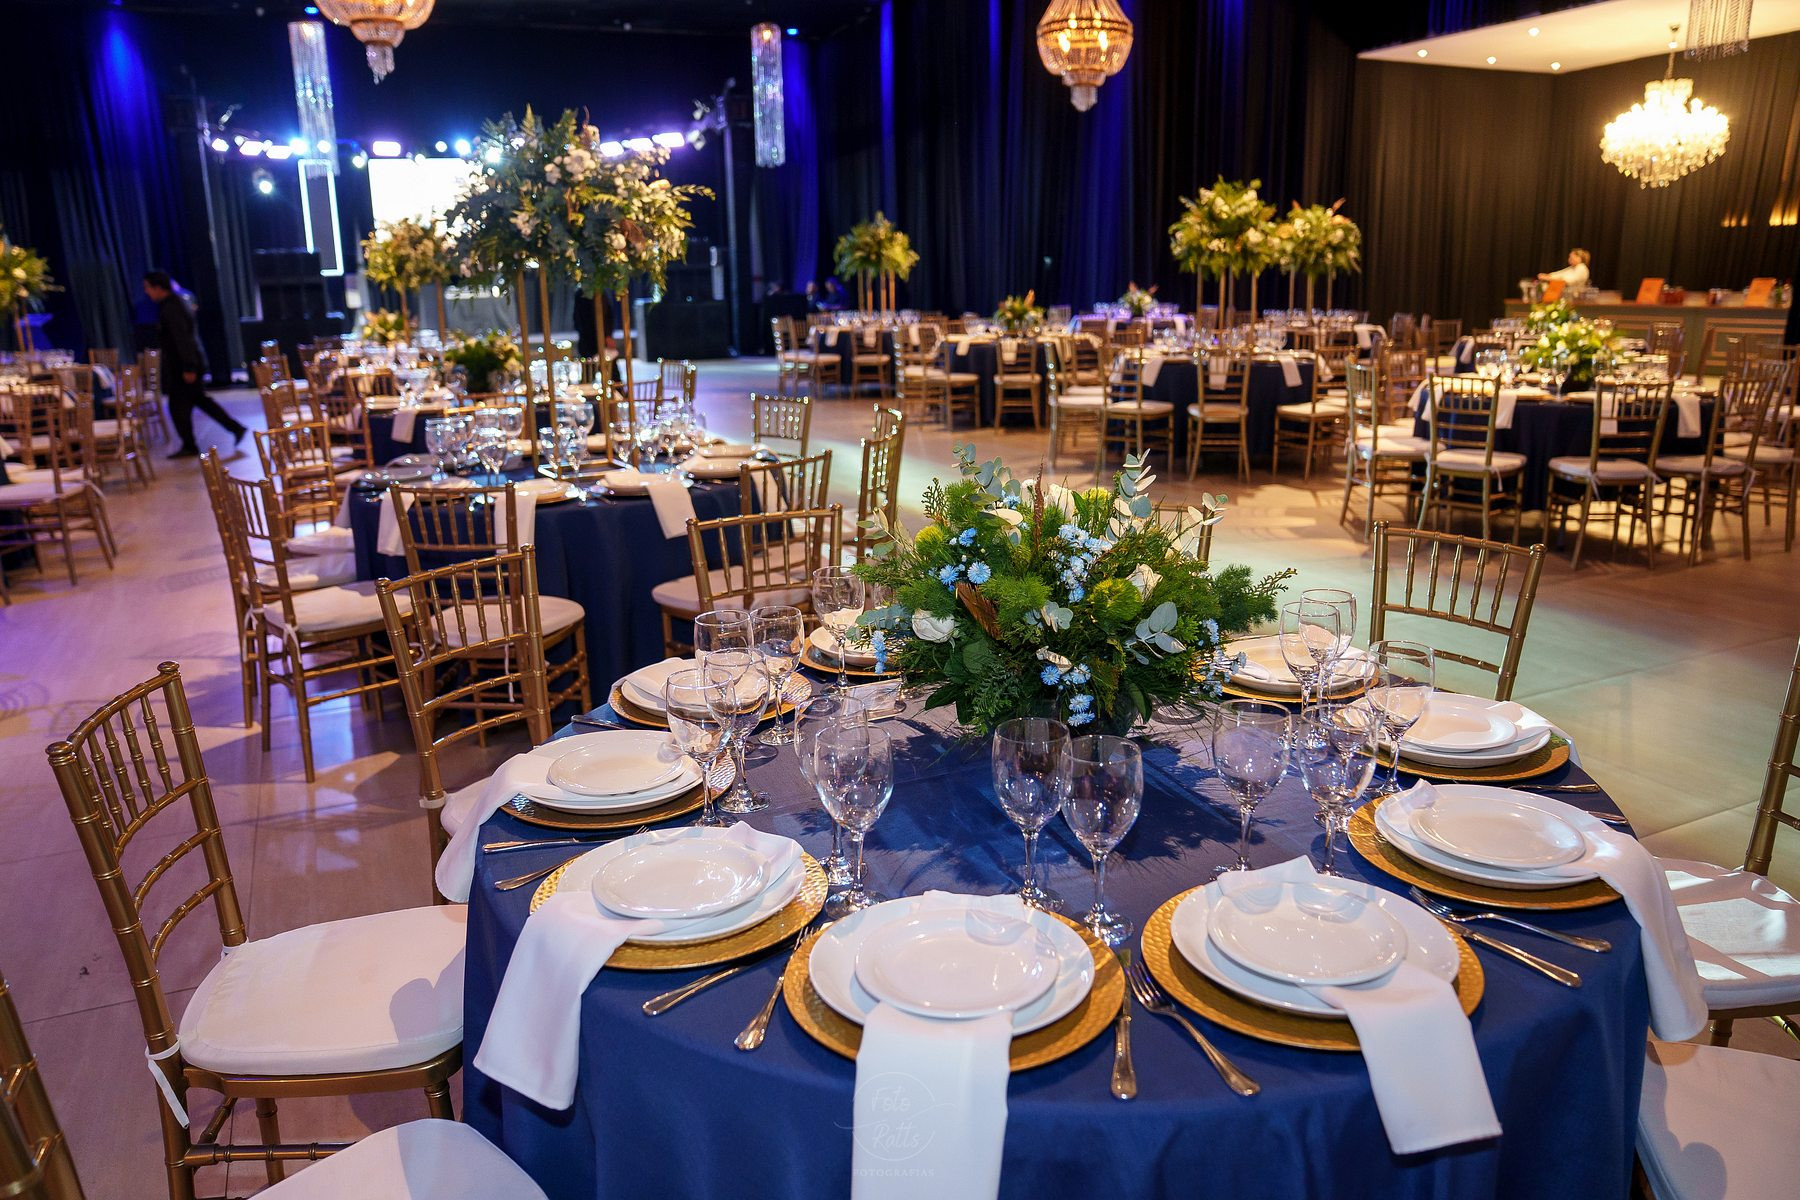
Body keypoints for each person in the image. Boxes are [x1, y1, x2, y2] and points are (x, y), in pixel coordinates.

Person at [142, 270, 245, 458]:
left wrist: (188, 367)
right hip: (187, 363)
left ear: (158, 287)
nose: (146, 292)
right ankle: (233, 429)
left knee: (178, 406)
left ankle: (191, 444)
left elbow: (183, 339)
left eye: (148, 287)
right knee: (198, 400)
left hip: (184, 365)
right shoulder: (173, 304)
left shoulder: (172, 307)